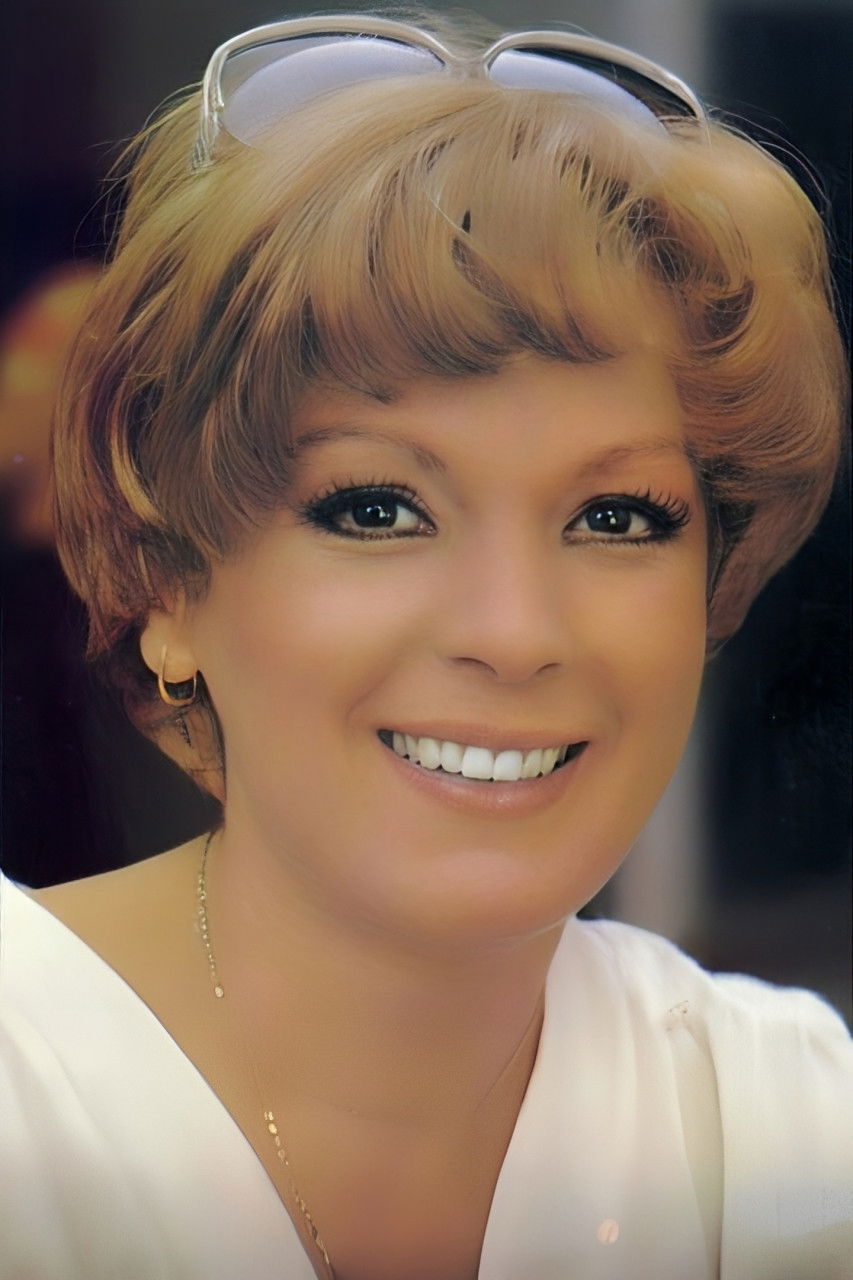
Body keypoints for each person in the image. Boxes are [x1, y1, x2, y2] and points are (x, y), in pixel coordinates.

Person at [0, 12, 849, 1280]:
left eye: (615, 517)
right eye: (377, 509)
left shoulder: (790, 1125)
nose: (514, 631)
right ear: (166, 576)